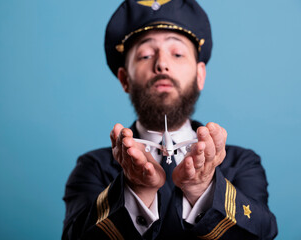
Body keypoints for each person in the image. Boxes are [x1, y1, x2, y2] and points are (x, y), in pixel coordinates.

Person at [62, 0, 278, 239]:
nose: (162, 64)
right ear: (124, 79)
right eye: (145, 55)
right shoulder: (94, 167)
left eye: (177, 53)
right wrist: (137, 189)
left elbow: (264, 233)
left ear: (200, 75)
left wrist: (202, 189)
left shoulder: (241, 163)